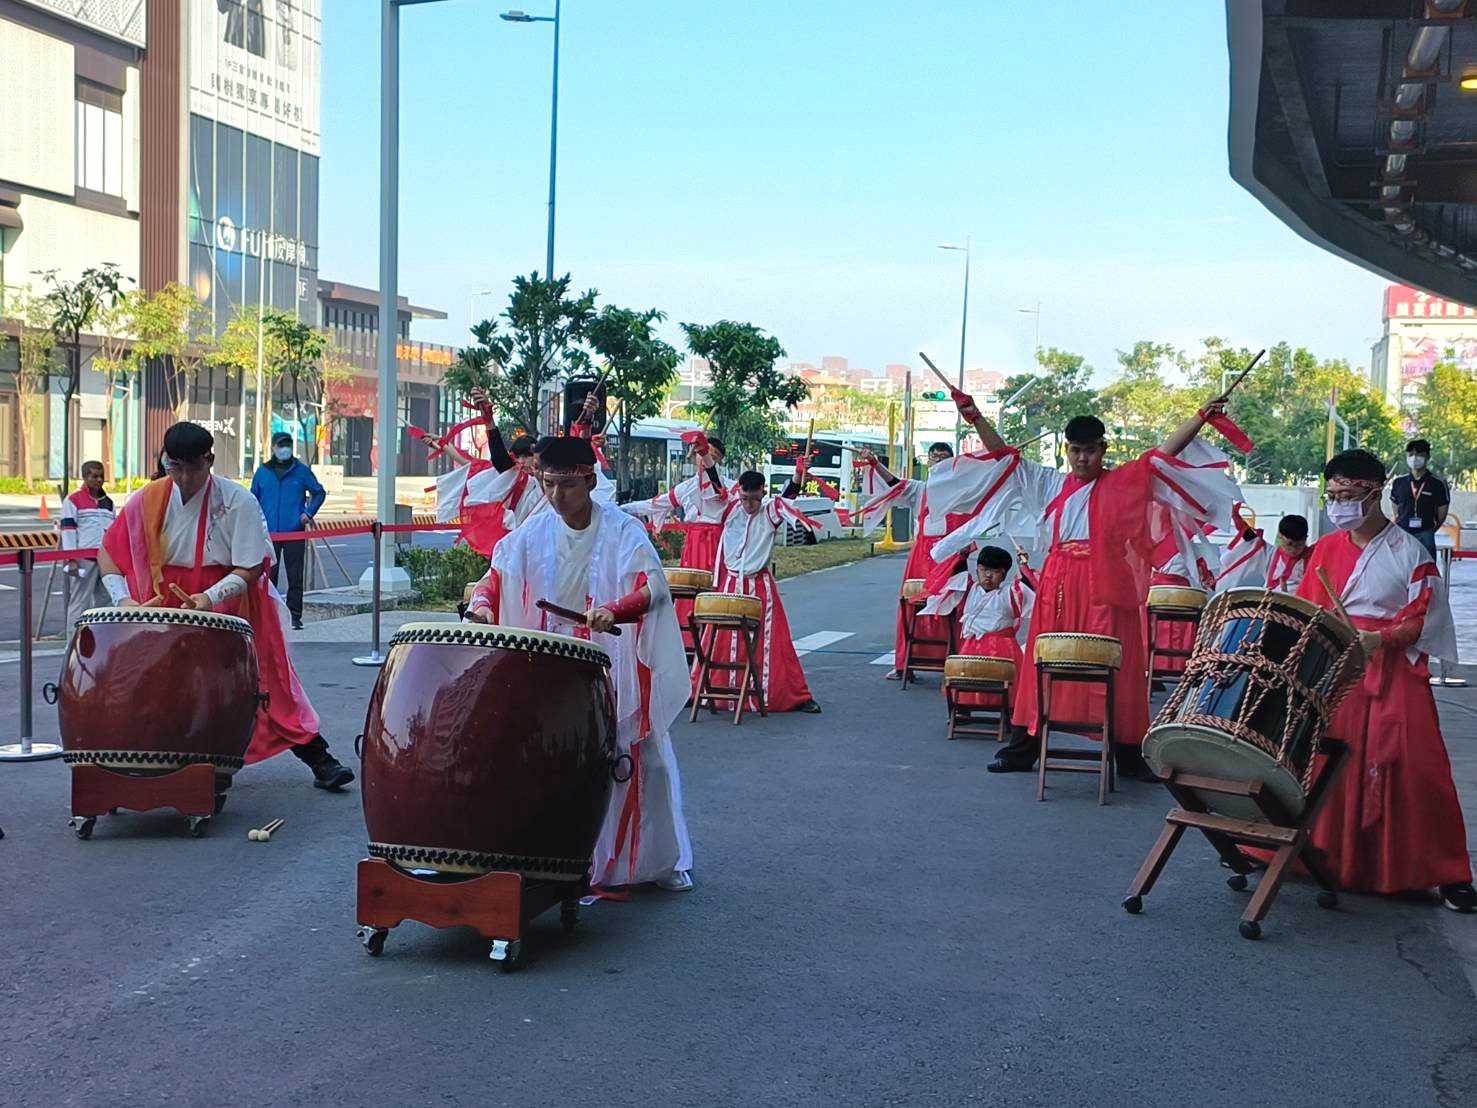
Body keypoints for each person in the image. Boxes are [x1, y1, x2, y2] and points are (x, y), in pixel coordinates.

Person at [960, 393, 1243, 778]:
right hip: (1058, 583)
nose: (1082, 459)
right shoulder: (1048, 483)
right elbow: (1004, 456)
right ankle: (1022, 749)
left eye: (1090, 451)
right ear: (1066, 450)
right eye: (1076, 450)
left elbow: (1161, 455)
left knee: (1115, 664)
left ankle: (1127, 754)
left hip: (1107, 584)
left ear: (1103, 449)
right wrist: (974, 416)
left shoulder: (1123, 482)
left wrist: (1199, 417)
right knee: (1044, 660)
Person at [487, 435, 694, 892]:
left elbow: (652, 588)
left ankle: (649, 862)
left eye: (566, 486)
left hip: (610, 662)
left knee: (636, 759)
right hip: (553, 665)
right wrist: (483, 604)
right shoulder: (535, 531)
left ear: (589, 480)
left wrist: (614, 610)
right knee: (553, 760)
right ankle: (558, 859)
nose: (556, 497)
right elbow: (496, 574)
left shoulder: (623, 529)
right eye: (547, 485)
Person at [97, 422, 354, 790]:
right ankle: (189, 764)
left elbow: (250, 567)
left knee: (266, 681)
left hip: (231, 600)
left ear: (210, 460)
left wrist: (210, 598)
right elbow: (109, 554)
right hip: (167, 603)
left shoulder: (237, 500)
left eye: (194, 467)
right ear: (166, 461)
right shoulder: (147, 499)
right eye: (176, 467)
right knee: (170, 688)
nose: (185, 477)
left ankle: (318, 756)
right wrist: (123, 600)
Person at [1296, 449, 1473, 912]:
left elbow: (1423, 620)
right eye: (1331, 495)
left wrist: (1382, 639)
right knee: (1321, 760)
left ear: (1374, 493)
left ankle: (1441, 871)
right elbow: (1306, 612)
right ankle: (1311, 853)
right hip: (1337, 669)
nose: (1338, 504)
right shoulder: (1325, 549)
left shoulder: (1409, 551)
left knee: (1416, 767)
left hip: (1390, 669)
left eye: (1347, 494)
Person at [856, 441, 1026, 681]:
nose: (938, 461)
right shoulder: (920, 489)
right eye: (934, 457)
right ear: (929, 462)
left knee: (957, 607)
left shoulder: (966, 493)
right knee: (910, 607)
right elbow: (894, 484)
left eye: (944, 458)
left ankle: (957, 662)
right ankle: (905, 664)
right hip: (922, 557)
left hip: (951, 557)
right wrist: (874, 463)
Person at [708, 469, 823, 713]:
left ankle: (795, 695)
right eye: (745, 498)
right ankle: (707, 689)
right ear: (739, 492)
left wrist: (798, 474)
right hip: (730, 584)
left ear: (763, 493)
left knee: (774, 642)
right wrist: (704, 455)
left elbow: (788, 499)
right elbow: (714, 481)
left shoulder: (770, 510)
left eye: (755, 498)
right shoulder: (729, 508)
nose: (749, 504)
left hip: (759, 586)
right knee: (718, 639)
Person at [923, 544, 1034, 714]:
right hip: (972, 645)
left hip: (1002, 648)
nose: (988, 575)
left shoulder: (1010, 593)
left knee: (1008, 685)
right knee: (965, 679)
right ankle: (962, 709)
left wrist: (1023, 565)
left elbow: (1028, 588)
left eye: (995, 572)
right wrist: (963, 555)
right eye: (984, 570)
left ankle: (1010, 712)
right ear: (978, 570)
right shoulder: (969, 588)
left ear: (1003, 575)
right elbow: (956, 575)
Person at [250, 432, 326, 630]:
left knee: (295, 575)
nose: (284, 449)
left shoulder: (301, 471)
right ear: (273, 448)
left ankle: (294, 616)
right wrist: (256, 521)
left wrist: (308, 513)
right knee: (268, 576)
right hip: (269, 533)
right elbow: (252, 499)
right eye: (280, 445)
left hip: (294, 531)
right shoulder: (263, 472)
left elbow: (319, 492)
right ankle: (270, 614)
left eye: (287, 445)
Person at [60, 460, 117, 630]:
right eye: (94, 476)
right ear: (85, 477)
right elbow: (68, 531)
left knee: (106, 603)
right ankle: (72, 646)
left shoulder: (109, 503)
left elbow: (113, 532)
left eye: (101, 476)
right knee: (79, 604)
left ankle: (102, 642)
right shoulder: (73, 500)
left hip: (105, 560)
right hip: (83, 559)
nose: (99, 480)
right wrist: (71, 559)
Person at [1389, 438, 1449, 561]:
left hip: (1426, 533)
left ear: (1427, 457)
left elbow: (1442, 513)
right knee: (1402, 568)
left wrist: (1430, 529)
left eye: (1419, 454)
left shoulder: (1437, 483)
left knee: (1426, 570)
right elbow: (1395, 510)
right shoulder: (1399, 482)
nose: (1414, 458)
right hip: (1403, 533)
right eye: (1411, 454)